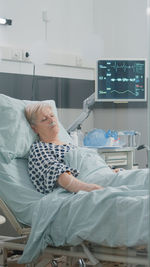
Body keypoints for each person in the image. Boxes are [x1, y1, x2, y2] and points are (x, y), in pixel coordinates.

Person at [25, 102, 104, 194]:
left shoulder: (70, 145)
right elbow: (57, 173)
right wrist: (90, 189)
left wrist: (110, 170)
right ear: (35, 129)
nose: (51, 120)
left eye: (52, 115)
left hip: (101, 175)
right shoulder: (40, 149)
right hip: (84, 186)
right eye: (44, 119)